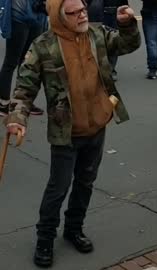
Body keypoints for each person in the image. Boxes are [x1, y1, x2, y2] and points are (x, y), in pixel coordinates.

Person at [3, 0, 140, 266]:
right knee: (58, 187)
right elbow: (24, 88)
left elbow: (128, 45)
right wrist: (17, 118)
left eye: (83, 9)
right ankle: (45, 238)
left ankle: (74, 229)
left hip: (97, 125)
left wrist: (128, 25)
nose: (82, 15)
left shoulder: (97, 33)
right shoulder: (43, 46)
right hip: (66, 131)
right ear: (58, 15)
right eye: (74, 12)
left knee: (85, 183)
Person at [0, 0, 48, 116]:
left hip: (37, 17)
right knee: (11, 62)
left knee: (27, 62)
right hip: (19, 16)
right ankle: (3, 103)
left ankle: (22, 102)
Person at [87, 0, 129, 81]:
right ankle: (98, 69)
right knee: (96, 43)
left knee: (113, 43)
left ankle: (111, 69)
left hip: (113, 14)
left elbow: (124, 3)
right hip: (96, 14)